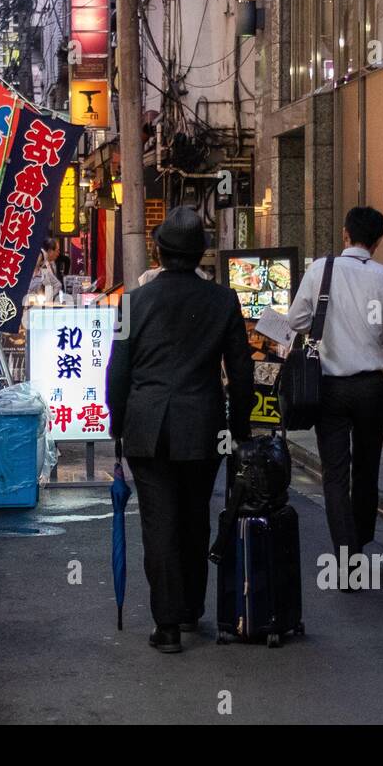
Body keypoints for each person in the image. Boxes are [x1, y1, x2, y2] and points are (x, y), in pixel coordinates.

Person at [107, 206, 255, 653]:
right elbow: (241, 371)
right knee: (194, 517)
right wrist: (240, 426)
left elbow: (119, 371)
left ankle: (167, 625)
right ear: (201, 254)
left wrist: (118, 422)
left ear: (158, 250)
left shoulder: (132, 302)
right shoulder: (224, 301)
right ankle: (190, 610)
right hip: (204, 425)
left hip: (147, 426)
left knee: (160, 522)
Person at [288, 205, 383, 564]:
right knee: (368, 468)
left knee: (335, 473)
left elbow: (296, 320)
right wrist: (372, 330)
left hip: (331, 388)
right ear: (379, 240)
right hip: (372, 388)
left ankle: (347, 554)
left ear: (345, 234)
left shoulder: (320, 270)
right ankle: (363, 538)